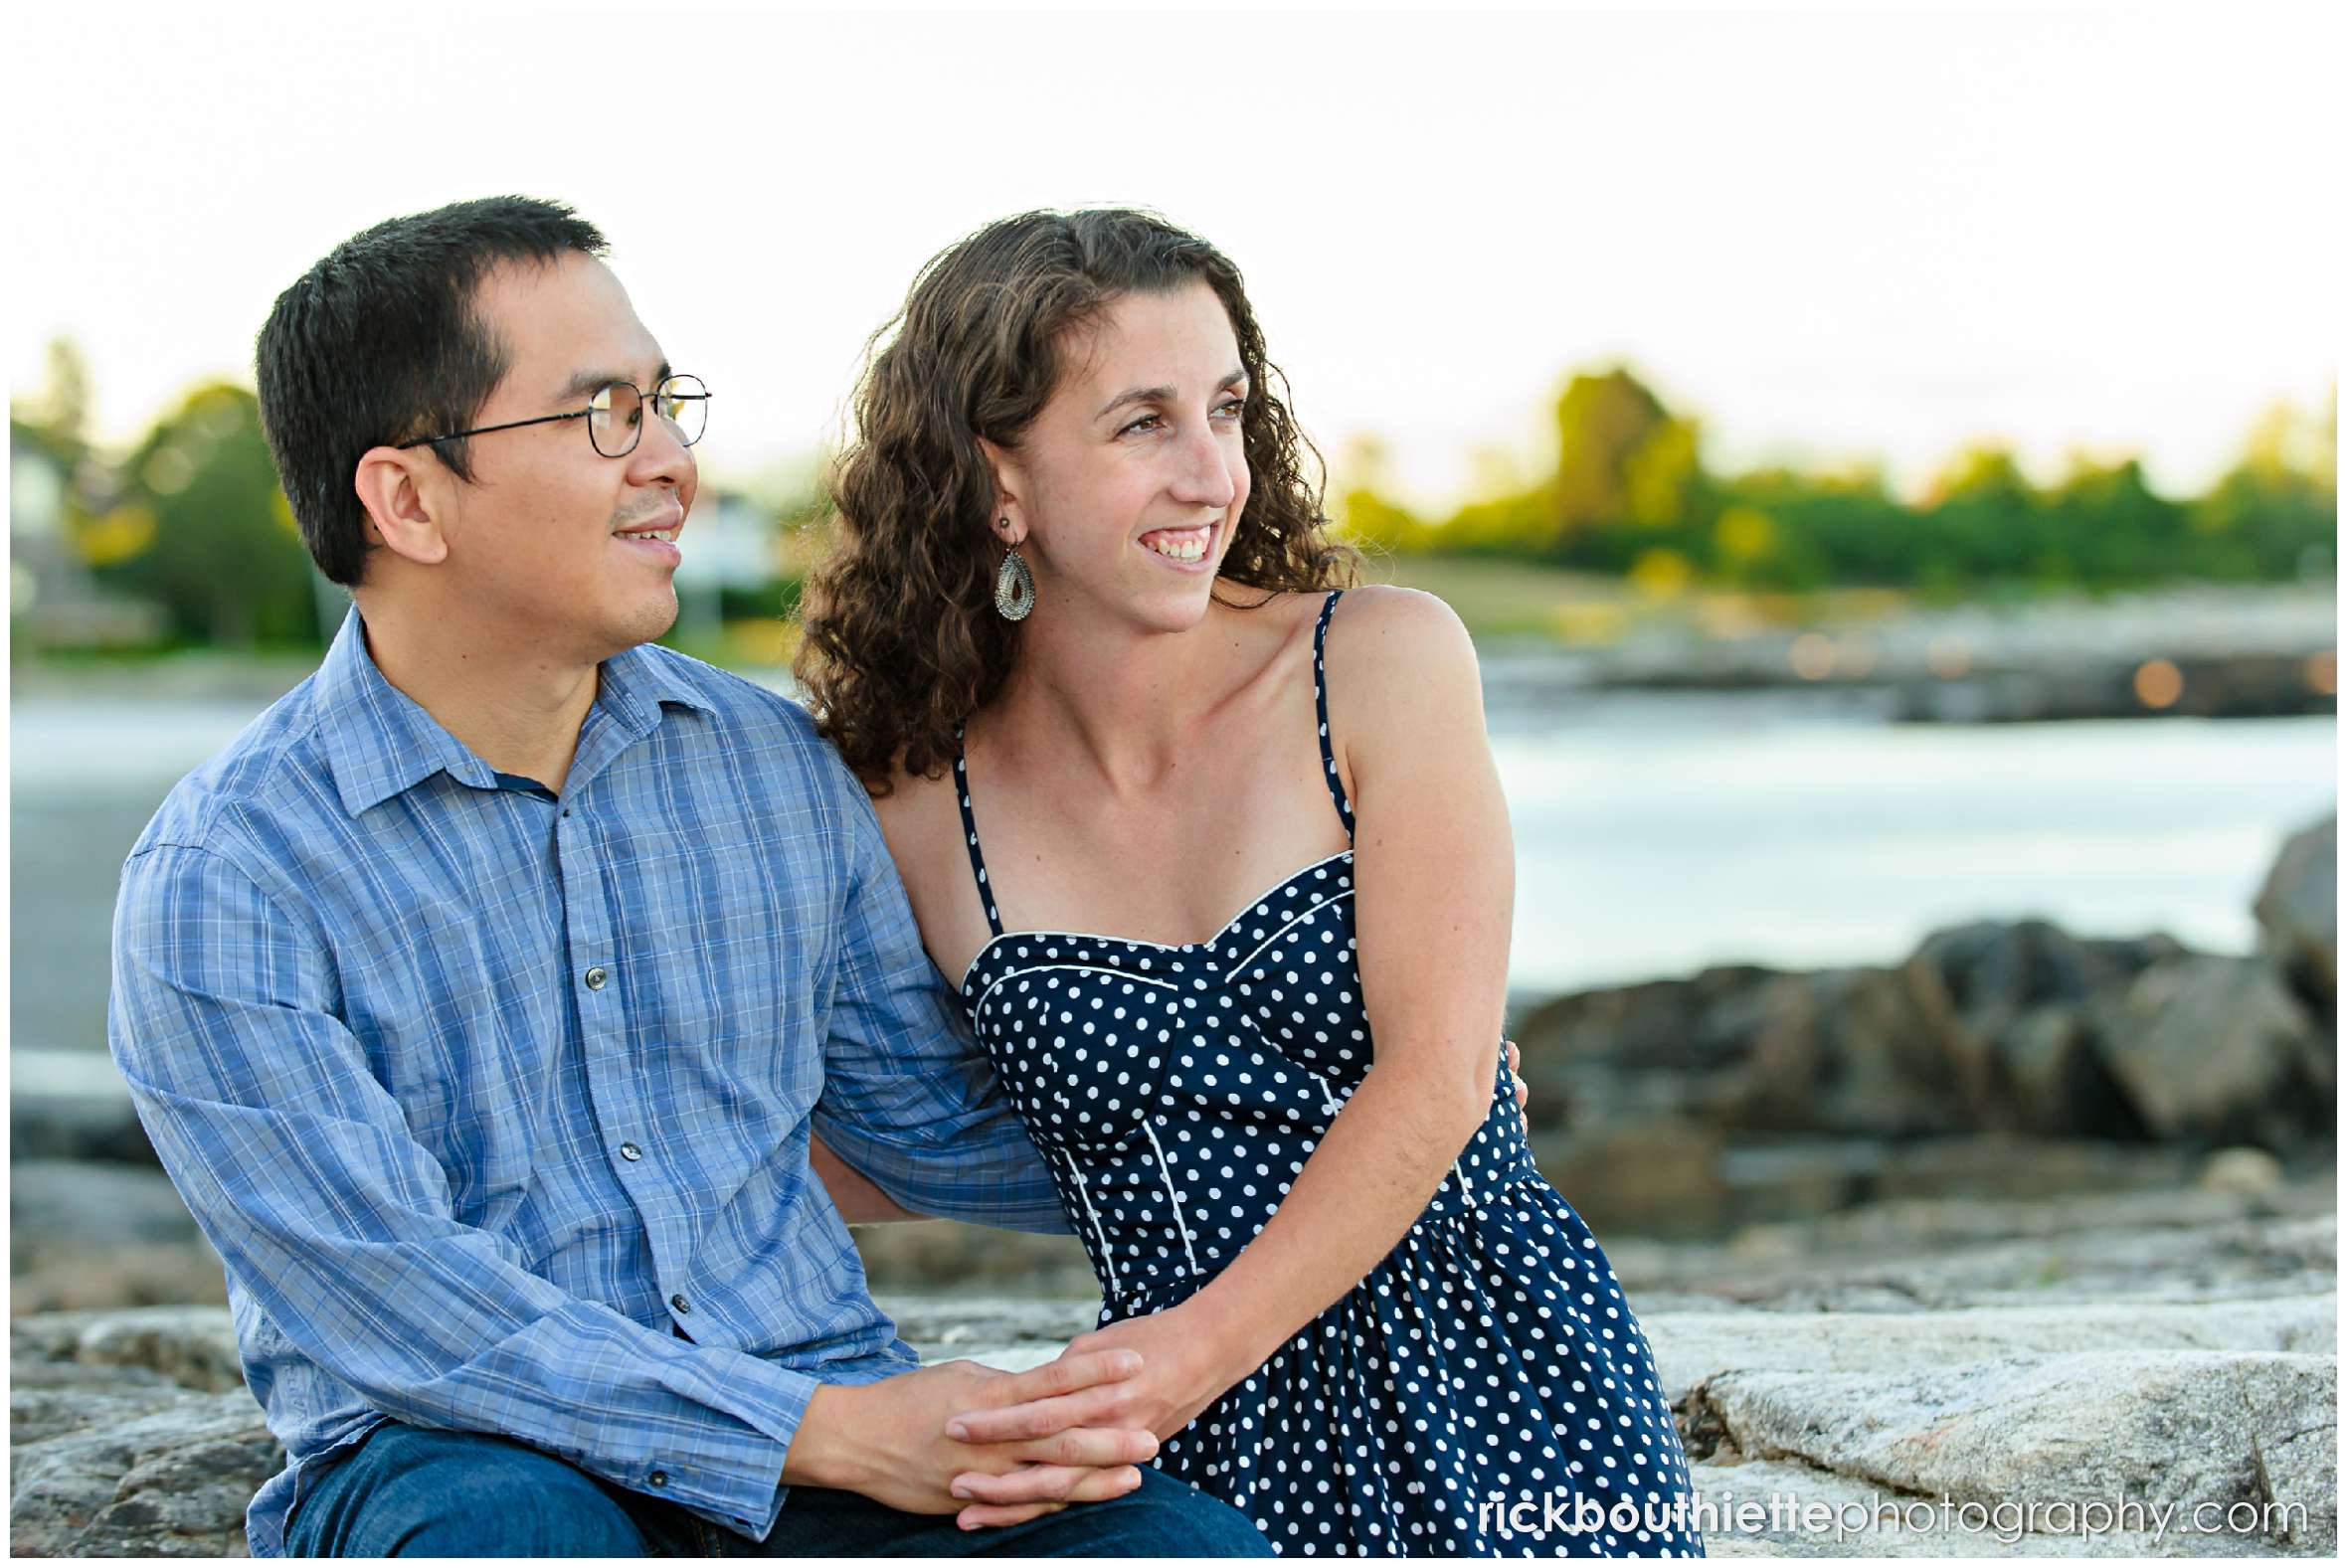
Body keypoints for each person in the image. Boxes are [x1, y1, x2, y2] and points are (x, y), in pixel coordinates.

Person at [104, 195, 1275, 1559]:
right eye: (605, 413)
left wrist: (1325, 1110)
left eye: (667, 404)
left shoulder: (766, 767)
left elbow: (930, 1116)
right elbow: (402, 1306)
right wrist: (826, 1430)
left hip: (821, 1416)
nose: (670, 461)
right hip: (472, 1462)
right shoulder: (228, 879)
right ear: (408, 497)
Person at [792, 208, 1708, 1556]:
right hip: (1187, 1454)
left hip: (1503, 1387)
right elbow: (861, 1127)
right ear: (1001, 479)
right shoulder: (908, 801)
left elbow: (1439, 1078)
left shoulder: (1379, 663)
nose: (1210, 471)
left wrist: (1171, 1363)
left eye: (1226, 408)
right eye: (1142, 423)